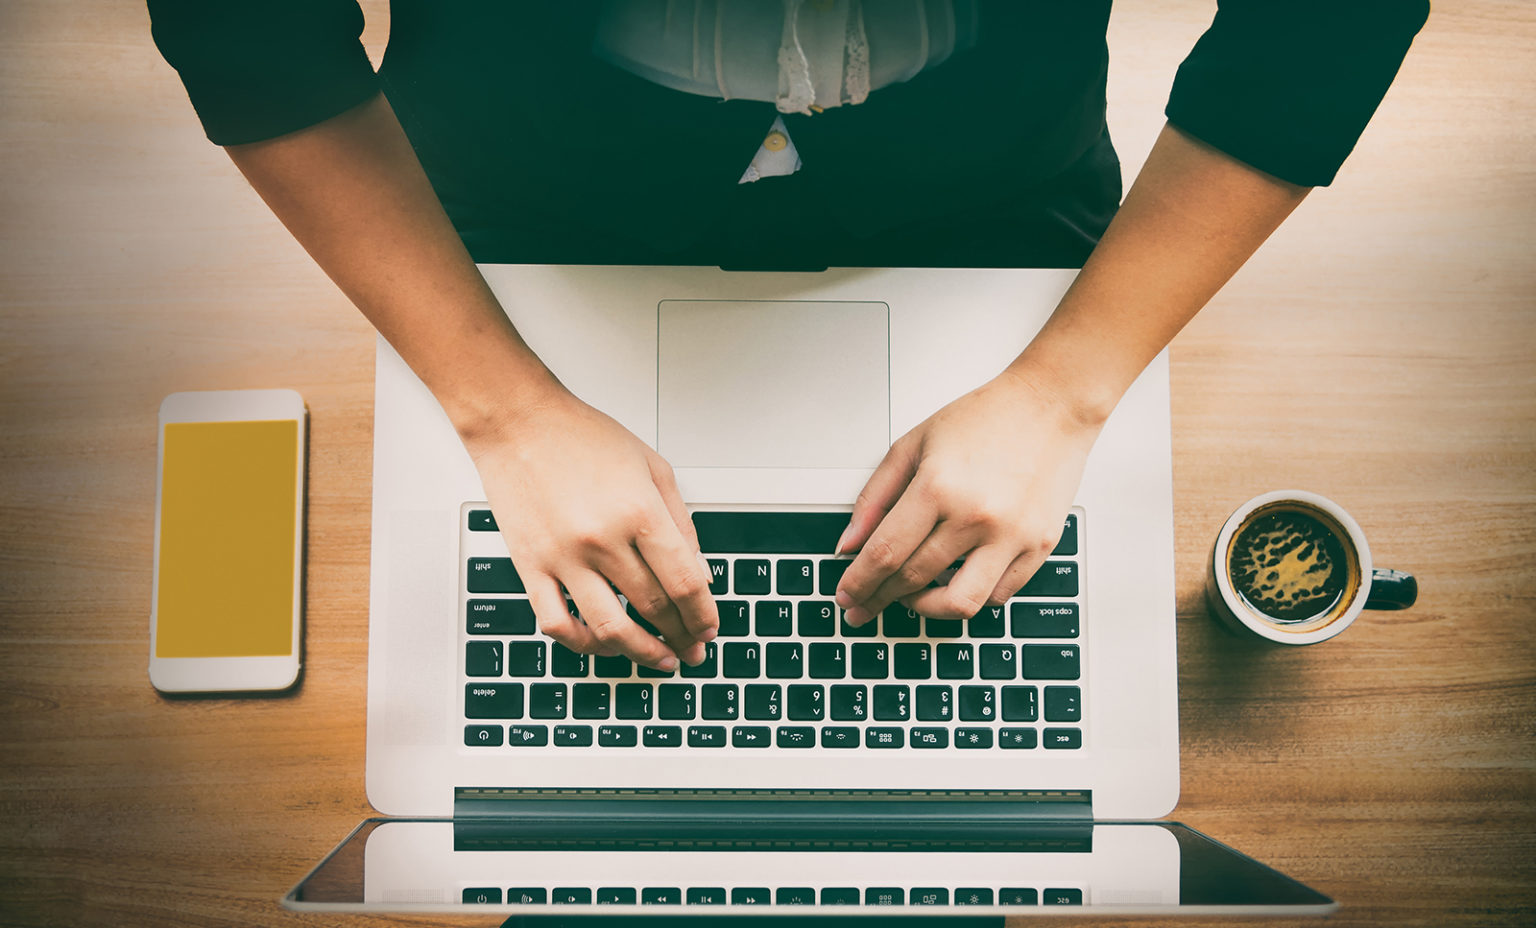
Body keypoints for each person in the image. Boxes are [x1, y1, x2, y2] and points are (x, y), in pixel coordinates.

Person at [148, 1, 1426, 677]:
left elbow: (1324, 19)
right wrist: (503, 410)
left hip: (989, 174)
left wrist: (1065, 392)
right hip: (525, 171)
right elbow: (243, 21)